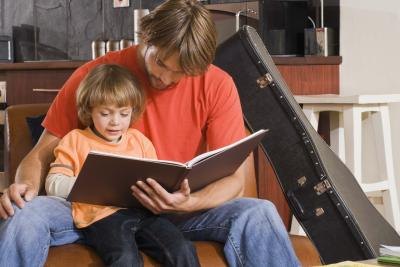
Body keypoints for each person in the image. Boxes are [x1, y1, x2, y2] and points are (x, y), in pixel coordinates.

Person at [0, 0, 300, 266]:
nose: (165, 78)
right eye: (159, 62)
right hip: (94, 212)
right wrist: (23, 186)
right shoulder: (98, 75)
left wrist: (188, 203)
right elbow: (39, 155)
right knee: (26, 213)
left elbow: (234, 181)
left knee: (259, 212)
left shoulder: (217, 84)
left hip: (176, 212)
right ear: (145, 37)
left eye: (180, 72)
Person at [44, 63, 199, 266]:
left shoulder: (139, 140)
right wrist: (93, 184)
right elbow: (53, 184)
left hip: (145, 213)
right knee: (125, 258)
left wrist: (173, 190)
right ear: (90, 110)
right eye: (105, 114)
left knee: (182, 248)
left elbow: (156, 179)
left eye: (124, 114)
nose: (115, 122)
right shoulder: (76, 140)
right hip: (101, 218)